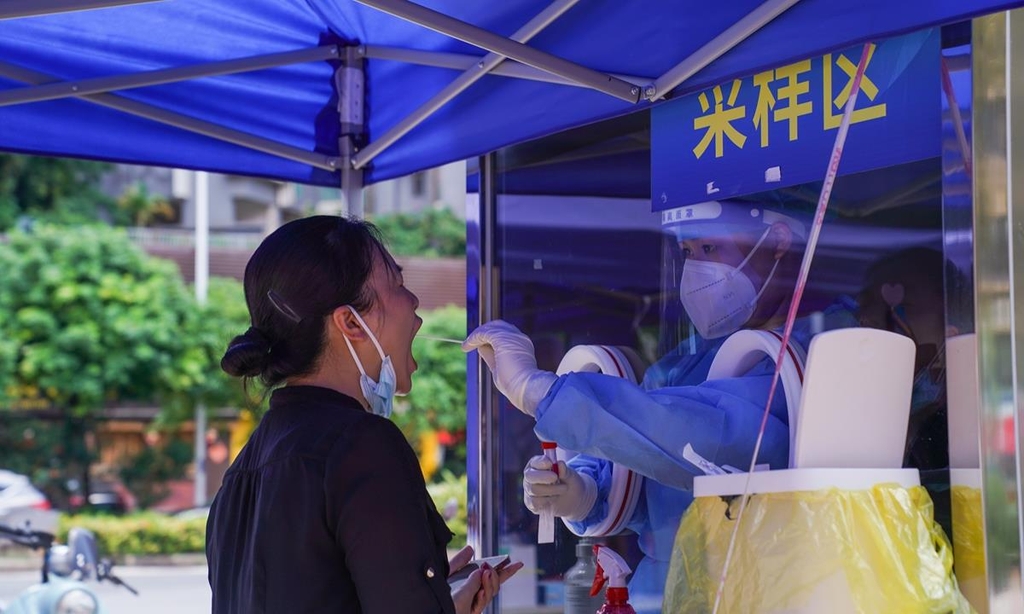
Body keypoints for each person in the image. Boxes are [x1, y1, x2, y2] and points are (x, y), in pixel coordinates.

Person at [463, 200, 856, 612]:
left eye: (711, 249)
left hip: (769, 591)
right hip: (667, 592)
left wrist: (542, 391)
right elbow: (653, 478)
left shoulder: (822, 345)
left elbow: (717, 441)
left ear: (777, 241)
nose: (696, 269)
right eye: (688, 252)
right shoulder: (684, 366)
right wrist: (582, 491)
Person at [206, 216, 521, 614]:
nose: (414, 302)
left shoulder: (242, 469)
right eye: (398, 283)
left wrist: (442, 601)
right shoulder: (363, 445)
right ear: (351, 322)